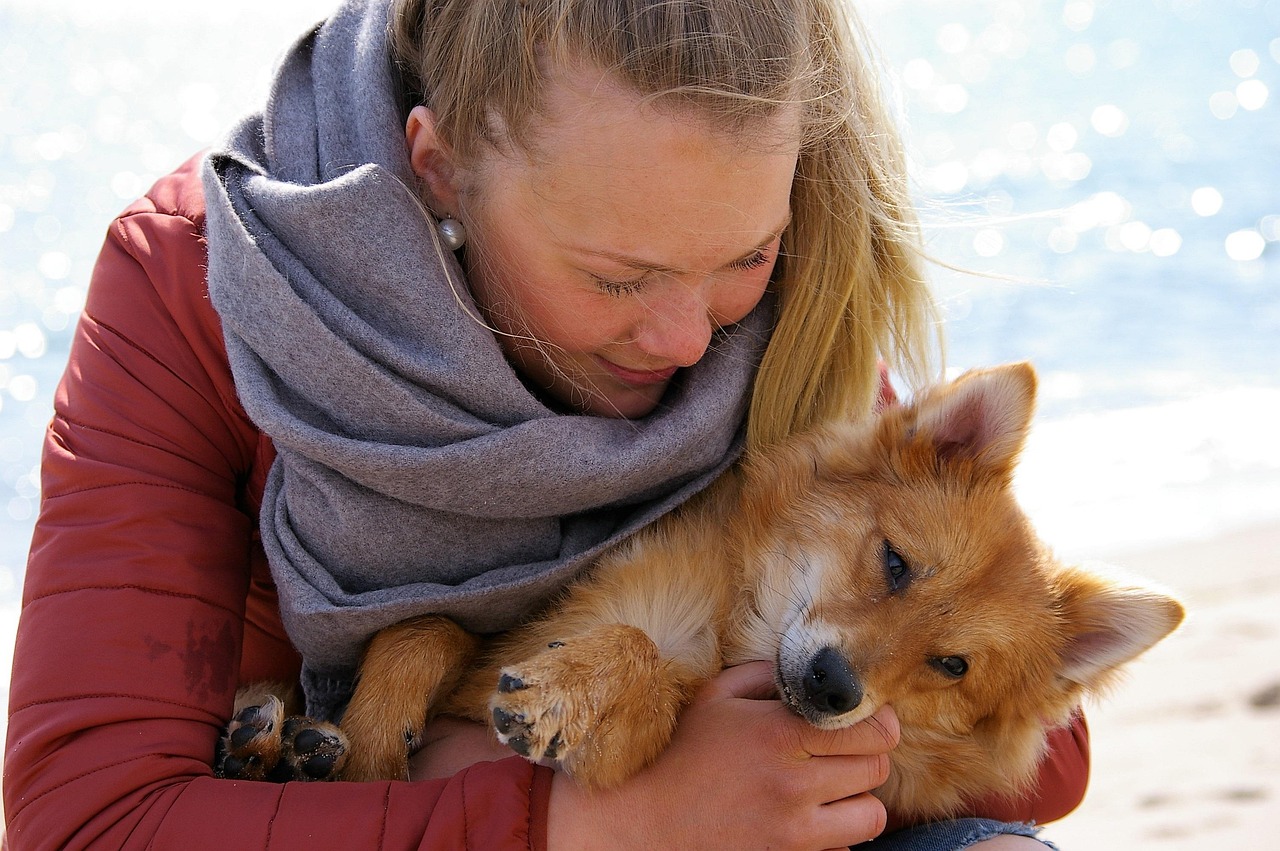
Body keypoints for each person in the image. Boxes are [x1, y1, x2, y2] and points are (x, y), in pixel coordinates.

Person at [2, 0, 1089, 848]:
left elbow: (1043, 746)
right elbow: (85, 820)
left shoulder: (789, 297)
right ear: (440, 170)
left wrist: (736, 743)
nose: (683, 340)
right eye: (617, 278)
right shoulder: (197, 285)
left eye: (743, 257)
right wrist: (572, 821)